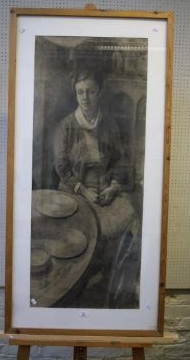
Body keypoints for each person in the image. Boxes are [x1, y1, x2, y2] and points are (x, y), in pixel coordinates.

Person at [53, 69, 141, 308]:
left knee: (131, 215)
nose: (85, 97)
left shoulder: (109, 124)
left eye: (90, 91)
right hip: (75, 191)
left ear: (99, 92)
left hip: (104, 190)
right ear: (75, 94)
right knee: (87, 226)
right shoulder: (66, 127)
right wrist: (82, 189)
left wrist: (113, 187)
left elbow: (120, 160)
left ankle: (118, 283)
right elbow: (61, 166)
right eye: (80, 92)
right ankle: (83, 281)